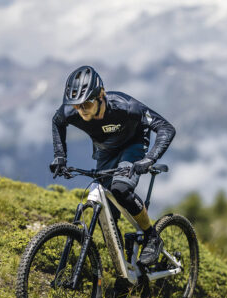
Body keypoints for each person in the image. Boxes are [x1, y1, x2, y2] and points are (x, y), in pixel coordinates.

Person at [49, 65, 175, 266]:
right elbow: (57, 122)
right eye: (76, 105)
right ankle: (124, 270)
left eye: (86, 105)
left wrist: (149, 159)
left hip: (133, 144)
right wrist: (60, 157)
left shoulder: (126, 107)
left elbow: (166, 128)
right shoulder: (72, 112)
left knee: (120, 189)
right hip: (106, 151)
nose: (80, 111)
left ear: (101, 95)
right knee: (106, 212)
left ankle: (152, 237)